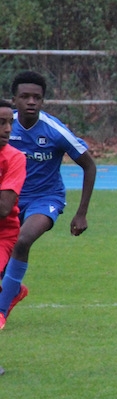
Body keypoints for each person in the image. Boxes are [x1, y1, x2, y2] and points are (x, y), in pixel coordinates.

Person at [0, 71, 96, 330]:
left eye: (37, 97)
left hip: (45, 199)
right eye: (25, 96)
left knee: (23, 240)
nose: (31, 101)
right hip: (10, 199)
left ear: (43, 101)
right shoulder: (5, 127)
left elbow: (89, 165)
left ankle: (1, 311)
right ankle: (14, 290)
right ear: (14, 100)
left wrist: (81, 213)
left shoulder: (54, 130)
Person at [0, 99, 27, 373]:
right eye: (1, 123)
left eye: (10, 123)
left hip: (2, 235)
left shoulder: (15, 158)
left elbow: (4, 207)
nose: (8, 129)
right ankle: (11, 292)